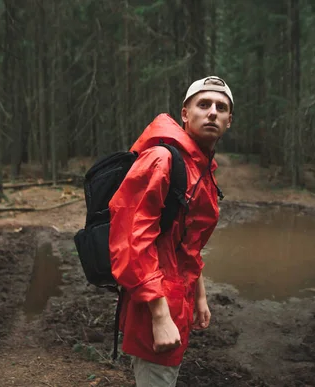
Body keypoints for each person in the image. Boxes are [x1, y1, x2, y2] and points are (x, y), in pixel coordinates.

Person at [108, 76, 233, 386]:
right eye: (203, 105)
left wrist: (200, 296)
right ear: (185, 114)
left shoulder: (201, 168)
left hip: (178, 297)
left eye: (221, 107)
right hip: (154, 302)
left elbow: (187, 243)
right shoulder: (163, 160)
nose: (212, 112)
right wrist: (160, 316)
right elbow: (131, 240)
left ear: (230, 121)